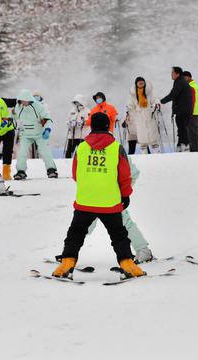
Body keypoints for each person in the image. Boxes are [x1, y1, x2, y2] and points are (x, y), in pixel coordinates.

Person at [52, 112, 145, 279]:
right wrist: (125, 195)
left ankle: (66, 265)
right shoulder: (116, 147)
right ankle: (128, 266)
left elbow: (75, 174)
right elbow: (125, 176)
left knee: (75, 234)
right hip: (110, 203)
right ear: (108, 126)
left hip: (85, 202)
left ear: (92, 126)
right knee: (119, 236)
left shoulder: (81, 147)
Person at [86, 155, 154, 263]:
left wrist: (122, 192)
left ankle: (143, 251)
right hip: (94, 195)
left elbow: (133, 172)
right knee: (85, 222)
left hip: (112, 197)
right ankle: (70, 253)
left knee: (124, 221)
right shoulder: (89, 149)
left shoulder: (116, 150)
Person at [12, 89, 58, 180]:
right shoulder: (18, 107)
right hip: (25, 134)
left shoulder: (38, 106)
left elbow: (47, 119)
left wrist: (47, 129)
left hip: (39, 134)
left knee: (45, 152)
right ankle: (21, 171)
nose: (23, 102)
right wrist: (11, 117)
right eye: (21, 100)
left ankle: (51, 170)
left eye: (24, 100)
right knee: (21, 153)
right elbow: (15, 117)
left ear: (29, 99)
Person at [160, 66, 192, 152]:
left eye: (172, 73)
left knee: (182, 129)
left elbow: (172, 95)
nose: (171, 74)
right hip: (183, 110)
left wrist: (160, 102)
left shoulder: (180, 82)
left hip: (183, 111)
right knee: (182, 129)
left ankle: (184, 147)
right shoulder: (180, 81)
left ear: (177, 74)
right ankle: (181, 146)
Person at [127, 76, 161, 154]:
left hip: (150, 116)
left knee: (152, 136)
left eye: (142, 81)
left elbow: (155, 99)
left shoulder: (149, 92)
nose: (141, 83)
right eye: (139, 82)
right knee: (142, 138)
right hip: (139, 118)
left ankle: (157, 153)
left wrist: (156, 104)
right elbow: (131, 105)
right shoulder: (133, 95)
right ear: (136, 84)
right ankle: (144, 154)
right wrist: (128, 108)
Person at [0, 97, 16, 180]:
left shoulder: (1, 101)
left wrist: (15, 112)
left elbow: (17, 102)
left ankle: (6, 174)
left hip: (8, 129)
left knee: (7, 151)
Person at [183, 71, 198, 152]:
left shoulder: (190, 87)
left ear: (187, 77)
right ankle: (197, 152)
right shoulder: (196, 86)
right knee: (197, 135)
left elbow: (192, 101)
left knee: (193, 136)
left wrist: (188, 113)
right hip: (197, 114)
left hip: (192, 114)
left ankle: (195, 154)